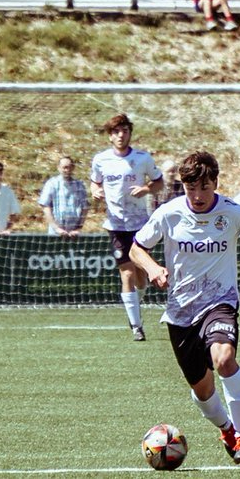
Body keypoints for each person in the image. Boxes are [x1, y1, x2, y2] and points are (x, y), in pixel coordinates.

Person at [129, 151, 240, 465]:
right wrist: (153, 268)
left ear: (216, 182)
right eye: (191, 188)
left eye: (204, 187)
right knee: (202, 391)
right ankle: (226, 428)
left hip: (220, 303)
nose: (198, 196)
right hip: (180, 312)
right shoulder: (168, 213)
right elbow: (136, 248)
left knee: (225, 358)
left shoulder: (234, 213)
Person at [90, 113, 164, 341]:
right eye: (116, 132)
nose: (120, 135)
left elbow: (159, 182)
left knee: (142, 276)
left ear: (130, 133)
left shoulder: (142, 158)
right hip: (116, 225)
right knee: (127, 273)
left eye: (124, 131)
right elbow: (95, 181)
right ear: (110, 136)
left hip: (140, 224)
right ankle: (136, 326)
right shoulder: (101, 160)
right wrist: (94, 190)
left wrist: (146, 189)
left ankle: (134, 302)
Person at [38, 156, 90, 238]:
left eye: (70, 167)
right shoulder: (51, 183)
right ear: (58, 168)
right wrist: (56, 228)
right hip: (55, 233)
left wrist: (79, 228)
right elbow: (45, 206)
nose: (67, 170)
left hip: (74, 234)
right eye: (64, 167)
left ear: (73, 168)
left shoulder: (79, 185)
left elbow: (85, 208)